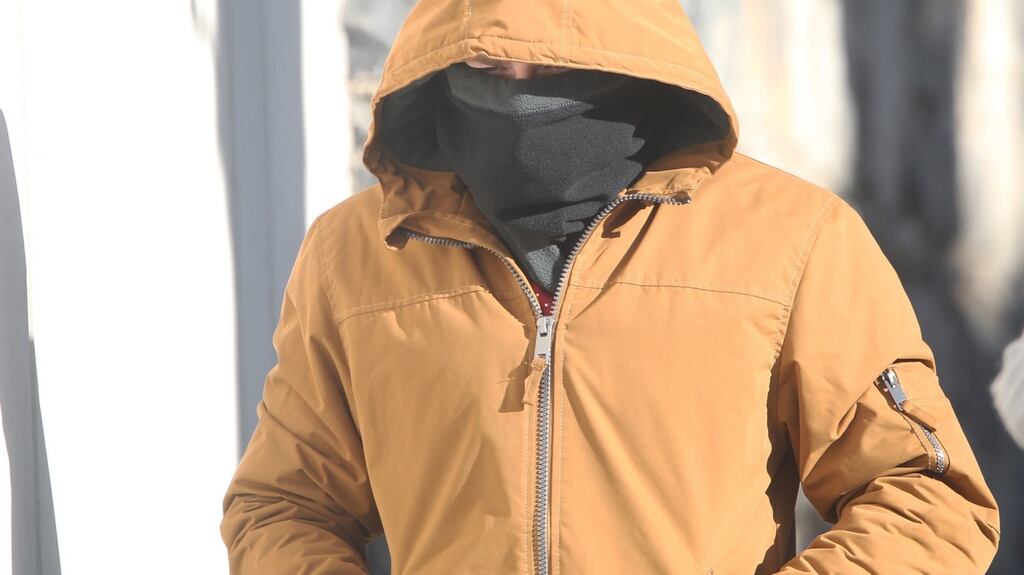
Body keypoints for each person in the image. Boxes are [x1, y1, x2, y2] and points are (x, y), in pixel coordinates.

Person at [220, 1, 1000, 573]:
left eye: (554, 69)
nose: (520, 96)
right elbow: (283, 505)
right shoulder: (356, 254)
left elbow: (926, 498)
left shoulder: (791, 240)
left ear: (633, 66)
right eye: (489, 68)